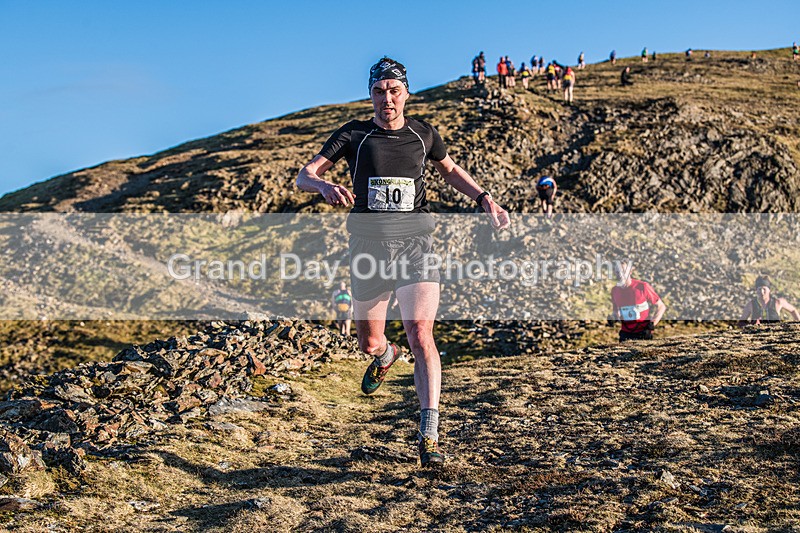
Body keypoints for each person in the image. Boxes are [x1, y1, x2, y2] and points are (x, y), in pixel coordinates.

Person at [296, 57, 510, 468]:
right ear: (371, 95)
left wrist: (484, 198)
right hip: (368, 250)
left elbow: (450, 171)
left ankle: (428, 434)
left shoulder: (423, 134)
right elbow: (305, 175)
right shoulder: (353, 135)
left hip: (416, 247)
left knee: (421, 333)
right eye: (379, 91)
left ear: (406, 94)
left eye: (394, 91)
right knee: (369, 342)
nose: (387, 99)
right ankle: (385, 355)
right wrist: (322, 185)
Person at [611, 263, 667, 342]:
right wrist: (613, 318)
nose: (620, 274)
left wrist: (653, 323)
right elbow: (616, 311)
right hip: (625, 334)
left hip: (643, 333)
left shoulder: (642, 286)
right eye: (617, 272)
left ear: (630, 272)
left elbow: (661, 306)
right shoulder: (615, 291)